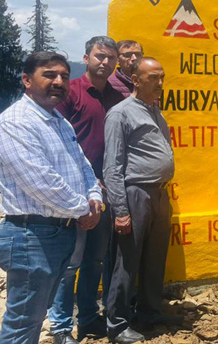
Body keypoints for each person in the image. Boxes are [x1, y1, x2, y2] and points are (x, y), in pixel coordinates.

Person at [0, 52, 103, 344]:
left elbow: (83, 166)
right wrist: (85, 208)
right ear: (26, 80)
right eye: (49, 75)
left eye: (64, 76)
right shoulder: (15, 122)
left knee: (33, 317)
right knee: (23, 324)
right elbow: (41, 182)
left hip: (59, 232)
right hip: (31, 236)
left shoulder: (59, 121)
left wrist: (94, 197)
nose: (58, 82)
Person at [49, 37, 124, 343]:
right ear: (87, 57)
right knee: (71, 264)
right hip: (75, 192)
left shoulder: (117, 97)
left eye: (110, 58)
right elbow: (55, 141)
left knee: (95, 259)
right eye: (99, 56)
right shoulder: (72, 93)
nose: (105, 62)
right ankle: (61, 327)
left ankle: (90, 319)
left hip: (105, 192)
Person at [104, 57, 179, 343]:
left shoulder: (155, 111)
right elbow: (113, 166)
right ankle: (118, 324)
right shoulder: (121, 113)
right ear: (135, 80)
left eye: (162, 77)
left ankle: (149, 312)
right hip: (135, 193)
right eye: (153, 78)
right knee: (127, 261)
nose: (160, 83)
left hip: (159, 193)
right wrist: (121, 211)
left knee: (155, 257)